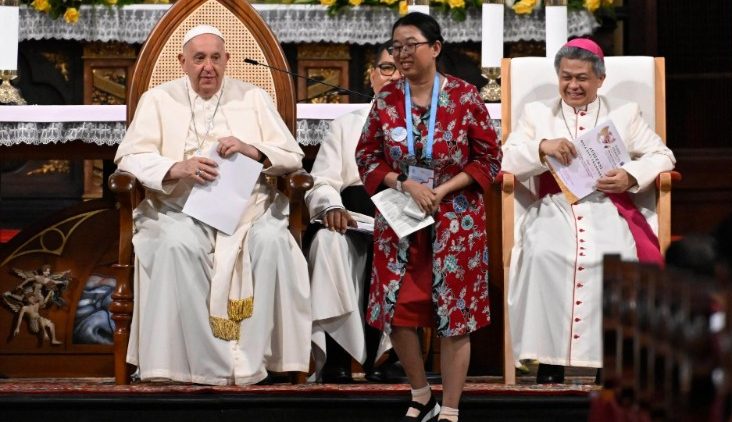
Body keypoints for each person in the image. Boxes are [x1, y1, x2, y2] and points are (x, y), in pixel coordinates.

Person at [114, 25, 311, 385]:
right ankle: (191, 365)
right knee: (176, 246)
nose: (209, 66)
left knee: (271, 243)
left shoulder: (253, 97)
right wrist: (176, 168)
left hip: (249, 211)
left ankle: (256, 362)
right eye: (199, 58)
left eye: (216, 58)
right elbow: (129, 159)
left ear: (227, 60)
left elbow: (292, 156)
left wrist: (251, 149)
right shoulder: (158, 99)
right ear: (183, 62)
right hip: (176, 209)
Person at [503, 38, 676, 384]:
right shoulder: (538, 114)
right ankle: (548, 362)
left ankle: (606, 363)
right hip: (555, 208)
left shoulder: (624, 113)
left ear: (600, 78)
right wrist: (541, 148)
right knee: (543, 253)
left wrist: (629, 176)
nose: (573, 86)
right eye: (566, 77)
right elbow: (505, 157)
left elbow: (663, 156)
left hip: (606, 206)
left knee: (616, 259)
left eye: (582, 78)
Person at [356, 13, 501, 422]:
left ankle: (451, 408)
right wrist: (403, 183)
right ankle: (422, 394)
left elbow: (489, 157)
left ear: (435, 48)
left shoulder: (464, 96)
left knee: (455, 319)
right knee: (397, 312)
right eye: (396, 47)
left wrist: (441, 190)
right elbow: (367, 155)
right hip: (402, 222)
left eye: (410, 45)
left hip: (455, 221)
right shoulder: (386, 99)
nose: (402, 54)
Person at [304, 42, 403, 383]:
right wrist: (331, 205)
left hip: (401, 218)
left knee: (402, 244)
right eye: (388, 68)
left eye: (404, 68)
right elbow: (322, 181)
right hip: (351, 220)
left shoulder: (427, 127)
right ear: (373, 75)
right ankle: (336, 354)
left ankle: (392, 354)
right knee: (327, 244)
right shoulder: (346, 126)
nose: (395, 76)